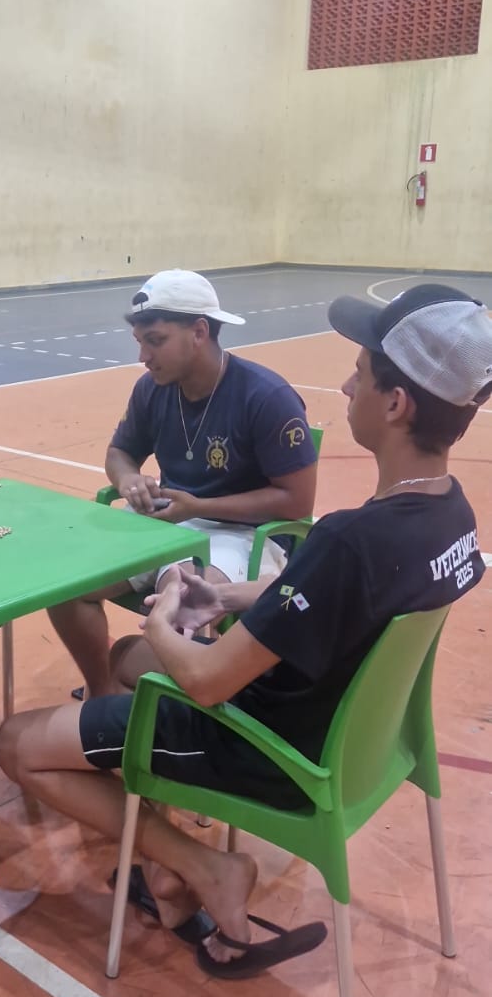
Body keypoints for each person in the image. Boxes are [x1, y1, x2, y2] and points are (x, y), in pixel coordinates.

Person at [0, 283, 491, 978]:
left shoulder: (347, 540)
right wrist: (226, 593)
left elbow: (203, 681)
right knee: (129, 658)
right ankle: (165, 876)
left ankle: (206, 866)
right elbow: (327, 593)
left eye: (360, 374)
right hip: (357, 744)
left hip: (268, 748)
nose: (346, 386)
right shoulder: (449, 516)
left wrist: (166, 616)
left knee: (16, 743)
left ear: (395, 404)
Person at [47, 269, 319, 697]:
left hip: (245, 534)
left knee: (181, 600)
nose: (143, 356)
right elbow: (119, 452)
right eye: (140, 342)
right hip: (169, 519)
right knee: (63, 583)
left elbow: (297, 502)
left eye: (155, 341)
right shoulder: (151, 389)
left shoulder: (266, 396)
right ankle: (102, 693)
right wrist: (129, 478)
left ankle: (175, 707)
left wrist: (198, 507)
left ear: (199, 332)